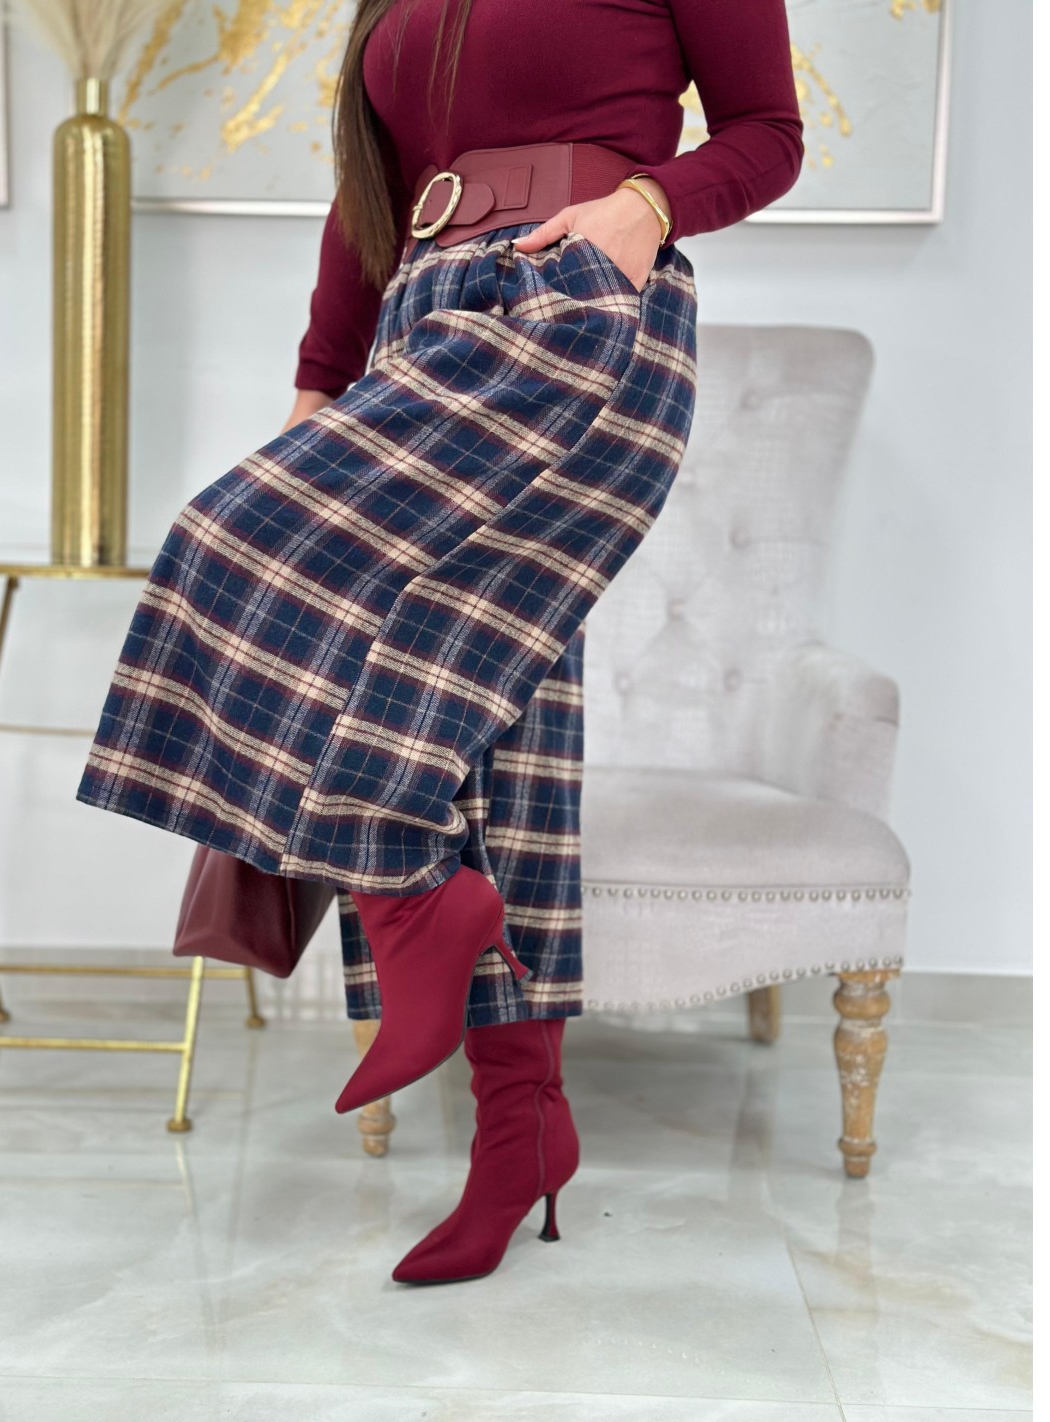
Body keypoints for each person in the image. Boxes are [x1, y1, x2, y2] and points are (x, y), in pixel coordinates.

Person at [76, 0, 803, 1284]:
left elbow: (768, 132)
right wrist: (319, 384)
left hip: (573, 302)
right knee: (499, 731)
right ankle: (520, 1132)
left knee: (227, 541)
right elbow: (371, 201)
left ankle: (413, 897)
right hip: (423, 321)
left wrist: (645, 209)